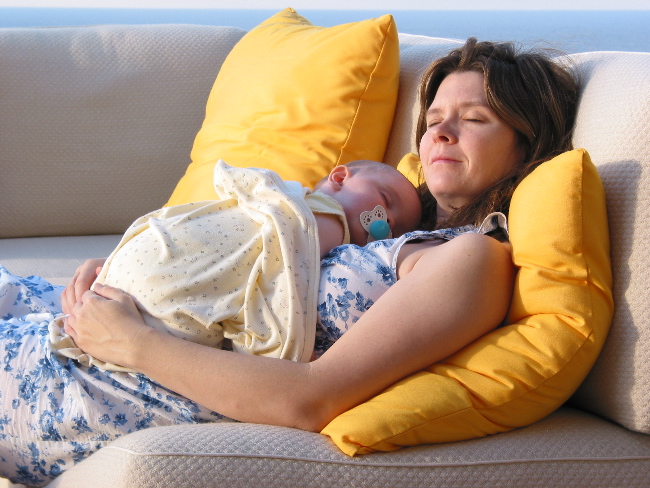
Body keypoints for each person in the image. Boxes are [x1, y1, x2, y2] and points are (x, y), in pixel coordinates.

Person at [0, 37, 579, 487]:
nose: (442, 134)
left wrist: (133, 342)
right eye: (432, 122)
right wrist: (120, 273)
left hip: (112, 378)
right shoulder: (386, 217)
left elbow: (311, 397)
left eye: (474, 119)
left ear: (527, 146)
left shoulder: (472, 259)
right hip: (89, 321)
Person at [48, 159, 422, 370]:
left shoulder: (286, 205)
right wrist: (293, 353)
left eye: (397, 227)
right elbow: (289, 276)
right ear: (340, 177)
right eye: (386, 200)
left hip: (134, 270)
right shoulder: (324, 216)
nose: (385, 222)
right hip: (158, 305)